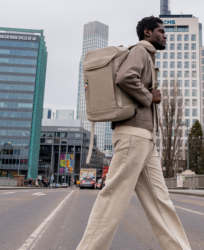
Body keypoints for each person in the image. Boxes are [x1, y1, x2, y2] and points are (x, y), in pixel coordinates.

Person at [77, 16, 191, 250]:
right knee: (114, 198)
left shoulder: (148, 55)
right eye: (160, 31)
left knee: (161, 201)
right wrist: (150, 97)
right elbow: (125, 76)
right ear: (147, 33)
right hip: (133, 136)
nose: (165, 35)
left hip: (145, 139)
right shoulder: (140, 50)